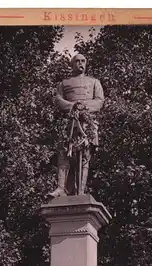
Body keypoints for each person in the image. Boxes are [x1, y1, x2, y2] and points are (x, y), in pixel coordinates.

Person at [49, 54, 104, 198]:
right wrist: (73, 106)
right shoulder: (64, 83)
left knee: (84, 154)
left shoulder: (94, 82)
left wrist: (83, 107)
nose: (80, 63)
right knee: (63, 153)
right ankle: (61, 188)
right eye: (77, 61)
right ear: (72, 64)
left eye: (83, 61)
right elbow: (58, 100)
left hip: (87, 124)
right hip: (69, 123)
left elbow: (99, 101)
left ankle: (81, 190)